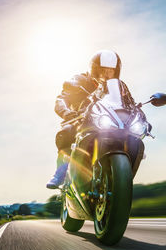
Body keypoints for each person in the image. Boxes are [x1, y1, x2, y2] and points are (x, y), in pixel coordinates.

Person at [46, 49, 132, 189]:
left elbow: (128, 103)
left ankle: (120, 173)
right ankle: (60, 173)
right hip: (81, 121)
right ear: (94, 69)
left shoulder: (117, 87)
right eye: (103, 70)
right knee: (67, 132)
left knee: (133, 133)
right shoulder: (79, 80)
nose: (106, 74)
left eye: (111, 71)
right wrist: (68, 113)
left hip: (109, 122)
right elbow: (62, 99)